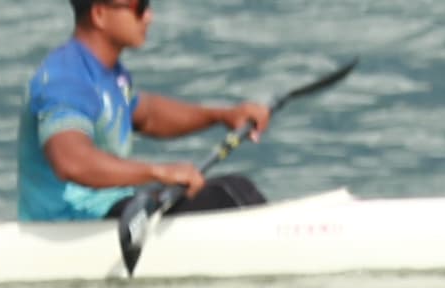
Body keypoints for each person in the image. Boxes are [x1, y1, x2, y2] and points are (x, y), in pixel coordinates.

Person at [21, 0, 271, 224]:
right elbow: (71, 161)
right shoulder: (66, 79)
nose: (149, 16)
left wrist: (222, 116)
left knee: (237, 187)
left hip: (112, 208)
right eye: (139, 7)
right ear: (99, 14)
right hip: (70, 225)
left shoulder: (108, 74)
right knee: (228, 197)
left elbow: (149, 115)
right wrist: (158, 171)